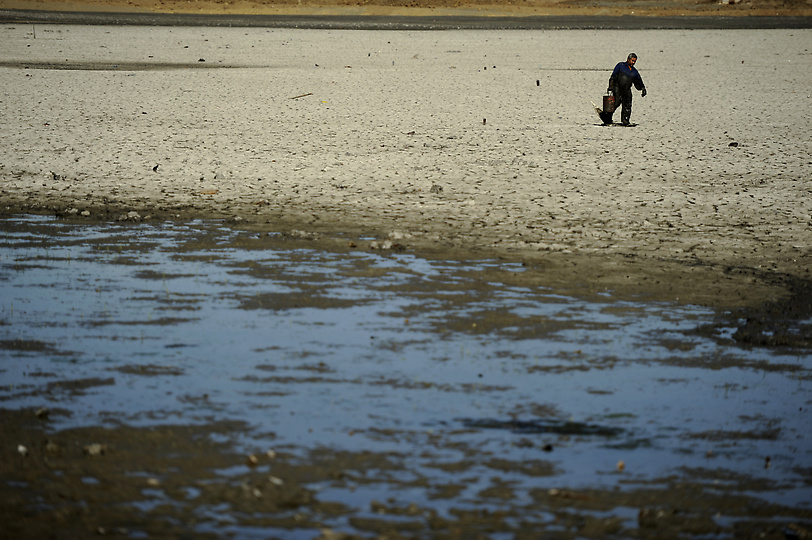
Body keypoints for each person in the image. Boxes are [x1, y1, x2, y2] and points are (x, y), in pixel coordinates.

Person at [603, 53, 647, 126]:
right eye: (632, 60)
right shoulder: (620, 66)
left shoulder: (634, 71)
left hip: (627, 89)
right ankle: (607, 117)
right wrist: (610, 87)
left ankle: (625, 120)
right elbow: (613, 76)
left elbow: (638, 81)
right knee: (615, 103)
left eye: (634, 61)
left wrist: (643, 88)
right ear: (628, 59)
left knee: (627, 105)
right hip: (618, 88)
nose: (633, 62)